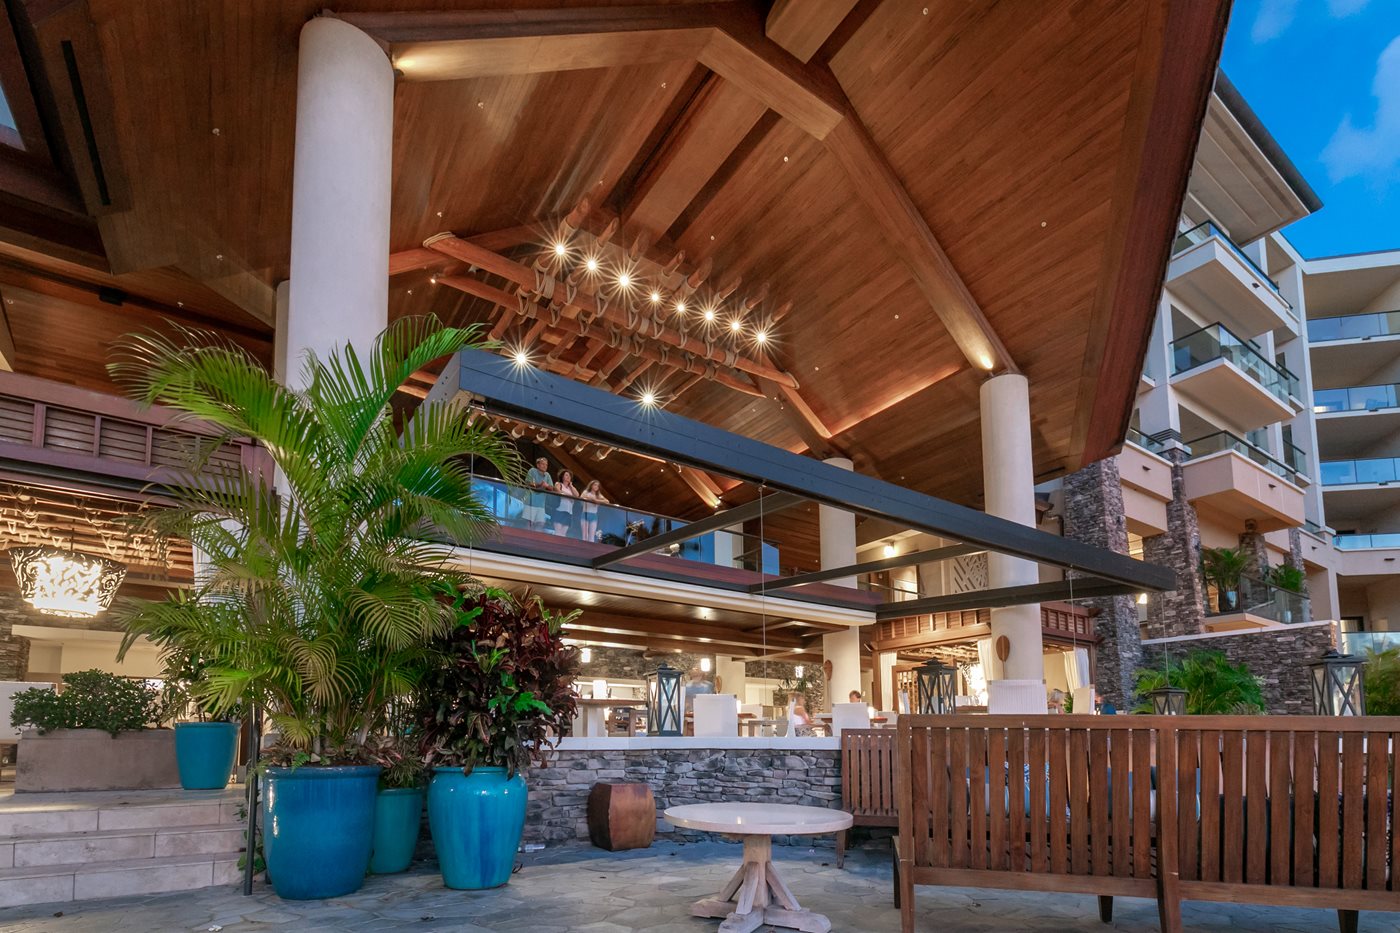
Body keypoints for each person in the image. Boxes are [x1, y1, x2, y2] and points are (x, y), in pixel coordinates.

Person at [525, 457, 553, 532]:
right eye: (543, 464)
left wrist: (547, 486)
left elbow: (551, 488)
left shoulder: (547, 475)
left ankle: (534, 538)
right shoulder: (532, 471)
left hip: (541, 504)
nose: (545, 466)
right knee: (530, 523)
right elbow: (528, 482)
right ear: (538, 465)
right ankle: (527, 537)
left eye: (546, 465)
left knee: (540, 523)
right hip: (531, 502)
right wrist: (539, 485)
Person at [554, 470, 578, 537]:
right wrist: (569, 496)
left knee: (563, 534)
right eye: (566, 475)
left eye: (569, 476)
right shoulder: (559, 484)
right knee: (558, 532)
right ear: (562, 476)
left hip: (569, 512)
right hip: (560, 510)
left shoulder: (571, 488)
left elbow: (577, 495)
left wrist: (571, 486)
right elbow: (558, 491)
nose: (568, 477)